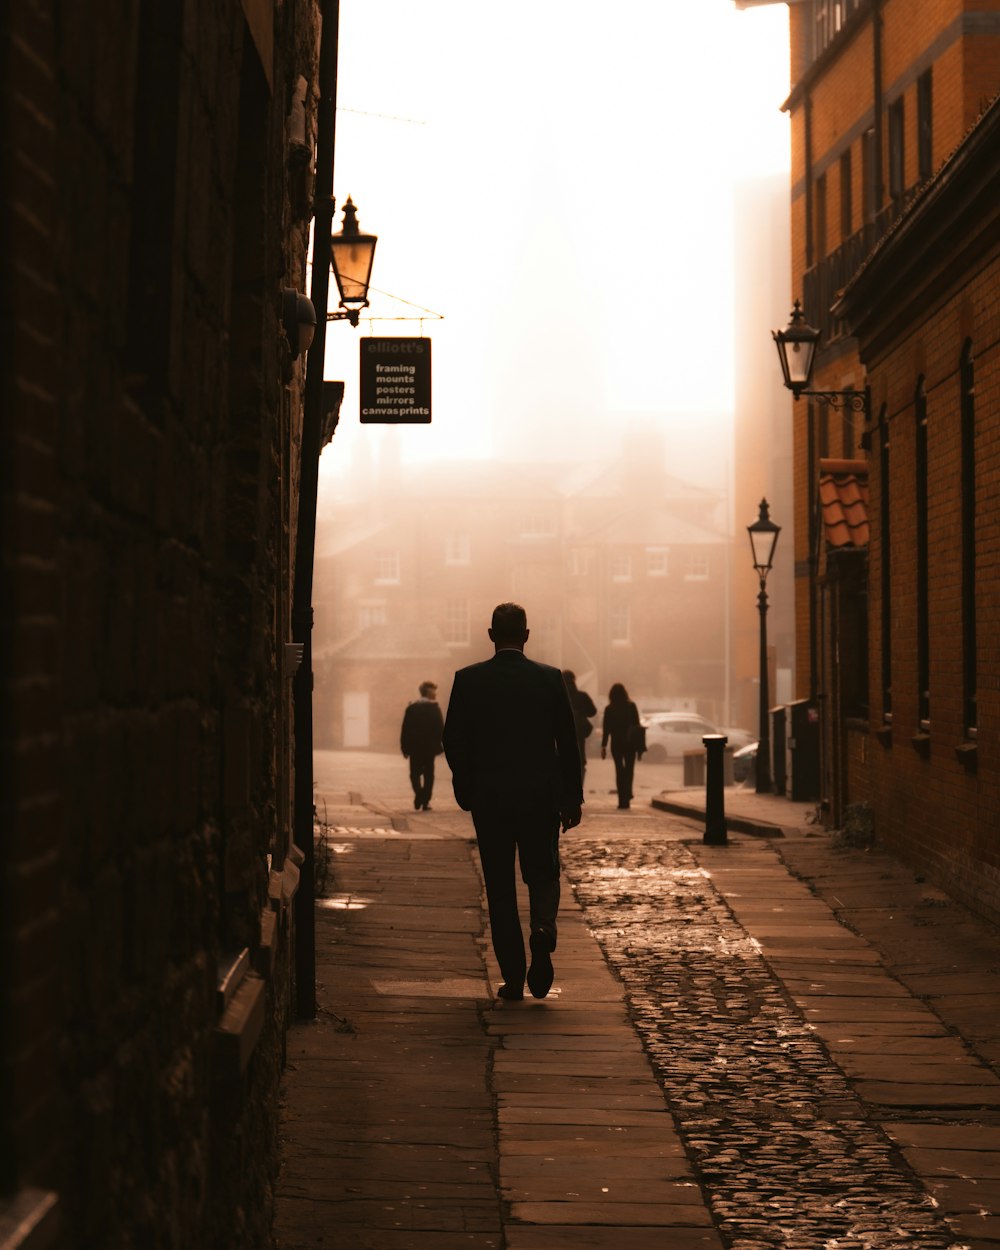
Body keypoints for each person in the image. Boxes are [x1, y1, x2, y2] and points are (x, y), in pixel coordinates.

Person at [443, 603, 583, 1001]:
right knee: (543, 873)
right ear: (526, 635)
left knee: (500, 887)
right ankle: (543, 930)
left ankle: (513, 977)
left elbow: (453, 739)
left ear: (490, 635)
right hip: (540, 798)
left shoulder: (467, 681)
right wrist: (571, 796)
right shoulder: (549, 679)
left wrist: (467, 785)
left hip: (490, 801)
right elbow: (568, 745)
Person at [400, 680, 444, 811]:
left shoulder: (412, 708)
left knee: (414, 774)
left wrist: (404, 747)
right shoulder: (435, 709)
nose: (435, 694)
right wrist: (439, 746)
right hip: (429, 749)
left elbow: (405, 729)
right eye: (434, 691)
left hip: (415, 748)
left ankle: (420, 795)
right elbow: (440, 729)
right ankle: (424, 800)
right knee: (429, 775)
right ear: (429, 693)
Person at [601, 682, 641, 809]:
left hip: (616, 744)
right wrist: (640, 747)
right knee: (629, 770)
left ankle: (621, 801)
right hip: (630, 744)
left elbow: (606, 729)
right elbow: (637, 726)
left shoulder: (609, 709)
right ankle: (627, 794)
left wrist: (603, 746)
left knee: (619, 771)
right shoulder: (631, 706)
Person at [562, 670, 597, 779]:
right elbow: (593, 712)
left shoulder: (557, 695)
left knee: (563, 761)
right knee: (579, 760)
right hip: (579, 734)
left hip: (561, 735)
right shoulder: (582, 696)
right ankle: (577, 789)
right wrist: (581, 712)